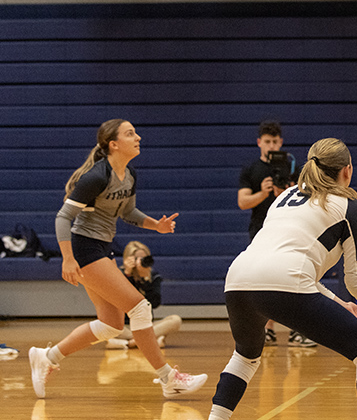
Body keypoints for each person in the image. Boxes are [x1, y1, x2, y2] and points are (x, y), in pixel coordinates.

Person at [193, 138, 357, 420]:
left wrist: (335, 302)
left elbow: (287, 264)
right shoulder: (349, 207)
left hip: (238, 279)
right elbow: (355, 280)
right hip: (285, 282)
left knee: (245, 356)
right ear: (348, 170)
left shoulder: (283, 197)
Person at [29, 119, 207, 399]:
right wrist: (67, 259)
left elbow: (128, 212)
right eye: (130, 134)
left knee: (111, 324)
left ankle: (47, 357)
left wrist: (155, 225)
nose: (138, 137)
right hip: (84, 248)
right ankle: (168, 378)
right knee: (139, 307)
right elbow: (63, 217)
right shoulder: (97, 177)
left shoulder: (129, 174)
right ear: (113, 144)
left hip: (102, 248)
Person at [237, 120, 315, 348]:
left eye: (275, 142)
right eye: (267, 142)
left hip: (291, 231)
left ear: (281, 142)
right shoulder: (251, 170)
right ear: (259, 142)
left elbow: (308, 200)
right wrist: (263, 193)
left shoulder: (294, 168)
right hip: (261, 231)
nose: (271, 146)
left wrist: (287, 191)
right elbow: (243, 202)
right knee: (264, 281)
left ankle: (297, 330)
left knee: (293, 278)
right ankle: (267, 330)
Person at [105, 240, 183, 349]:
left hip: (146, 326)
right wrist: (127, 275)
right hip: (124, 326)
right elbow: (120, 302)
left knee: (175, 320)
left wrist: (146, 281)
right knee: (104, 324)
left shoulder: (154, 276)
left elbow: (155, 303)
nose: (140, 262)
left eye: (144, 258)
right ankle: (150, 340)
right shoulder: (119, 275)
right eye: (137, 258)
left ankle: (128, 343)